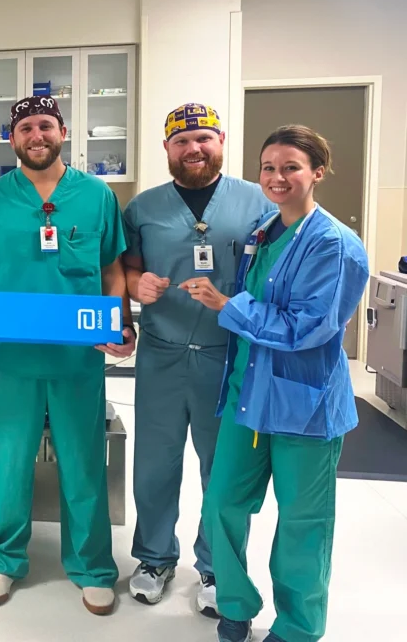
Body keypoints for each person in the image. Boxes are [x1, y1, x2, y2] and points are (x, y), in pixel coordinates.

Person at [0, 95, 135, 614]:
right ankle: (6, 559)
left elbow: (111, 271)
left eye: (45, 125)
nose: (35, 135)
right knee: (12, 463)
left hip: (77, 358)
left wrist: (120, 322)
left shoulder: (95, 195)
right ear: (12, 138)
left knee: (83, 462)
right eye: (25, 128)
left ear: (62, 131)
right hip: (11, 358)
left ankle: (91, 566)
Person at [185, 125, 368, 642]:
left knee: (302, 525)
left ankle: (297, 628)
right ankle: (236, 605)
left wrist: (228, 305)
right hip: (248, 396)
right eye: (268, 167)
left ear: (317, 172)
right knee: (222, 504)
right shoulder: (264, 231)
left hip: (304, 407)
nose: (277, 177)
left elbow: (309, 328)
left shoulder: (334, 245)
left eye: (291, 167)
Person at [122, 103, 274, 614]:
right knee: (155, 463)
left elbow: (273, 277)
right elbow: (124, 272)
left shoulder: (258, 202)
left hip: (227, 357)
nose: (194, 148)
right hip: (162, 352)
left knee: (224, 467)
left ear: (222, 141)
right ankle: (154, 557)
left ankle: (217, 568)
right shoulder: (144, 207)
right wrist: (133, 285)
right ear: (166, 147)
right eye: (182, 141)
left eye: (204, 138)